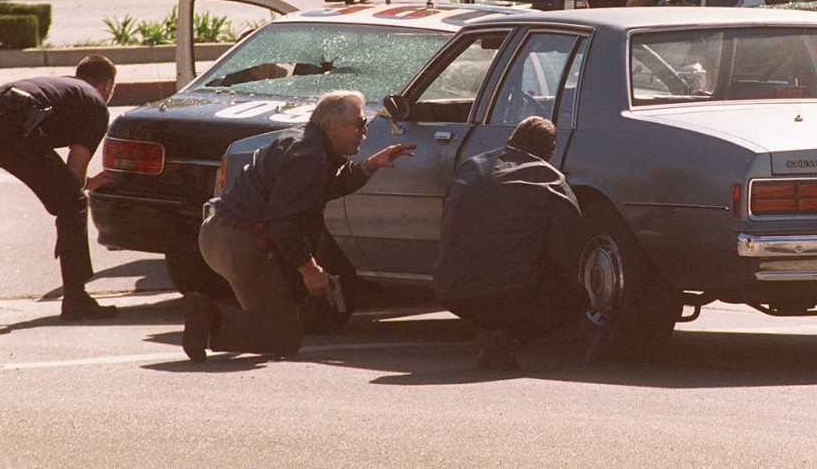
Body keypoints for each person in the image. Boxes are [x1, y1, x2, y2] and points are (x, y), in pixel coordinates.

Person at [181, 90, 415, 362]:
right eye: (359, 124)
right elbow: (281, 221)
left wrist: (368, 166)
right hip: (239, 242)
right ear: (333, 126)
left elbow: (319, 189)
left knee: (274, 322)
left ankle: (209, 317)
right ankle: (208, 314)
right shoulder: (308, 155)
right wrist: (311, 271)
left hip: (221, 233)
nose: (364, 132)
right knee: (283, 337)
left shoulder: (306, 142)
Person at [0, 55, 119, 321]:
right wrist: (87, 187)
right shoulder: (95, 104)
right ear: (107, 85)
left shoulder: (61, 87)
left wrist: (78, 186)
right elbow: (74, 174)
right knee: (73, 204)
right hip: (10, 128)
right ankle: (76, 298)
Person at [433, 116, 589, 370]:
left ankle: (490, 328)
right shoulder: (550, 179)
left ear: (510, 140)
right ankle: (508, 337)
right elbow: (567, 252)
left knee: (491, 287)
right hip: (509, 292)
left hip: (449, 289)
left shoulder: (470, 167)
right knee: (575, 298)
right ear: (551, 151)